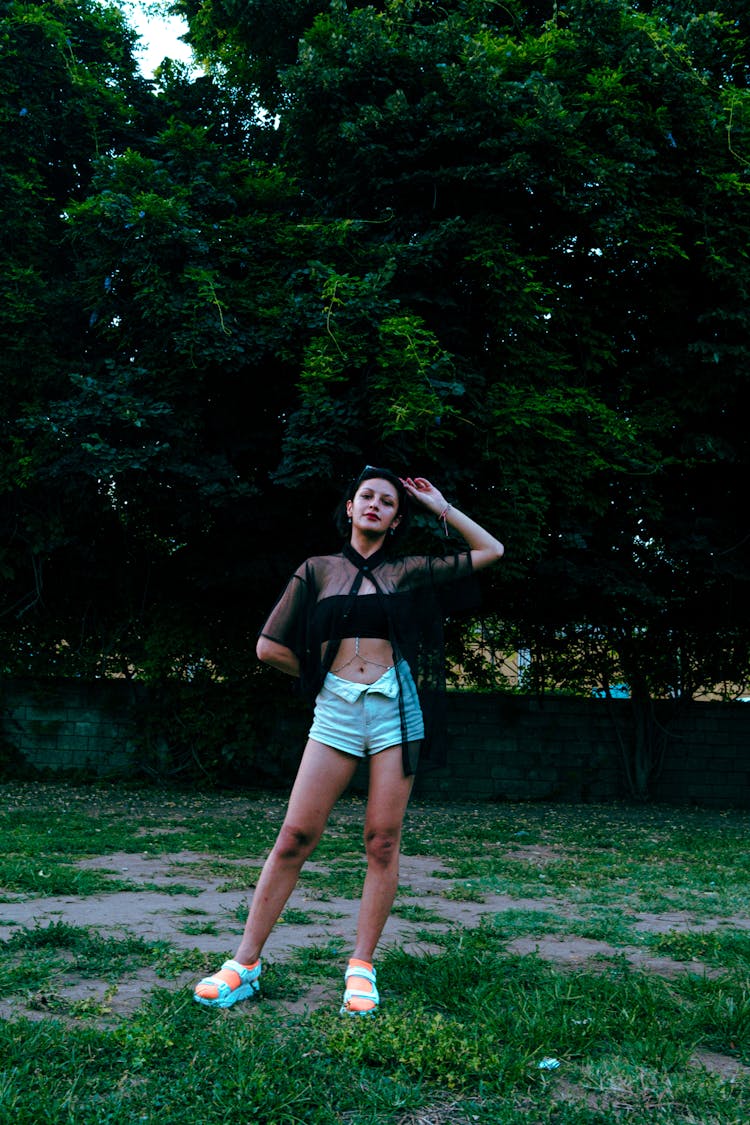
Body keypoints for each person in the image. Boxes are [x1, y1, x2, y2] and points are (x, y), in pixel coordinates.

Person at [193, 467, 504, 1015]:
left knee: (382, 841)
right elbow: (269, 646)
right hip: (335, 712)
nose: (375, 506)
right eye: (367, 497)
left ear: (396, 518)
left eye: (387, 502)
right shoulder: (317, 570)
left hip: (396, 712)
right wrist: (319, 676)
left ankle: (360, 968)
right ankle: (244, 965)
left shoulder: (406, 570)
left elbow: (491, 550)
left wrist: (442, 506)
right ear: (350, 508)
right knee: (294, 835)